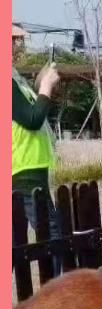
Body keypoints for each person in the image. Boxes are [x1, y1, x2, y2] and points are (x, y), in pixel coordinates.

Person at [12, 60, 65, 273]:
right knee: (52, 238)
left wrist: (40, 83)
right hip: (23, 173)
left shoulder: (15, 79)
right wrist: (46, 87)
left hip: (25, 170)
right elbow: (32, 119)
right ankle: (53, 292)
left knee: (14, 243)